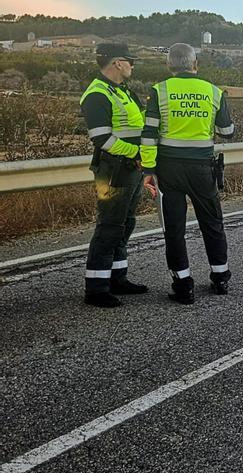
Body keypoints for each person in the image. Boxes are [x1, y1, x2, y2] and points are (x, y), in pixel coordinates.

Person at [140, 43, 235, 304]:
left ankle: (183, 285)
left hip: (169, 169)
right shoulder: (213, 92)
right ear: (195, 65)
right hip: (203, 169)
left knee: (174, 227)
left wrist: (149, 169)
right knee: (212, 223)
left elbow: (148, 135)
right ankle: (220, 278)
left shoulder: (159, 91)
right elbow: (227, 132)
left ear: (169, 66)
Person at [79, 43, 147, 308]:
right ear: (118, 62)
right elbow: (101, 139)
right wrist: (136, 153)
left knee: (125, 223)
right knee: (109, 225)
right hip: (112, 169)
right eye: (130, 61)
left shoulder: (123, 91)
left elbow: (138, 125)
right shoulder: (96, 94)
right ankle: (96, 288)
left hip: (130, 167)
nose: (133, 65)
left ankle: (117, 277)